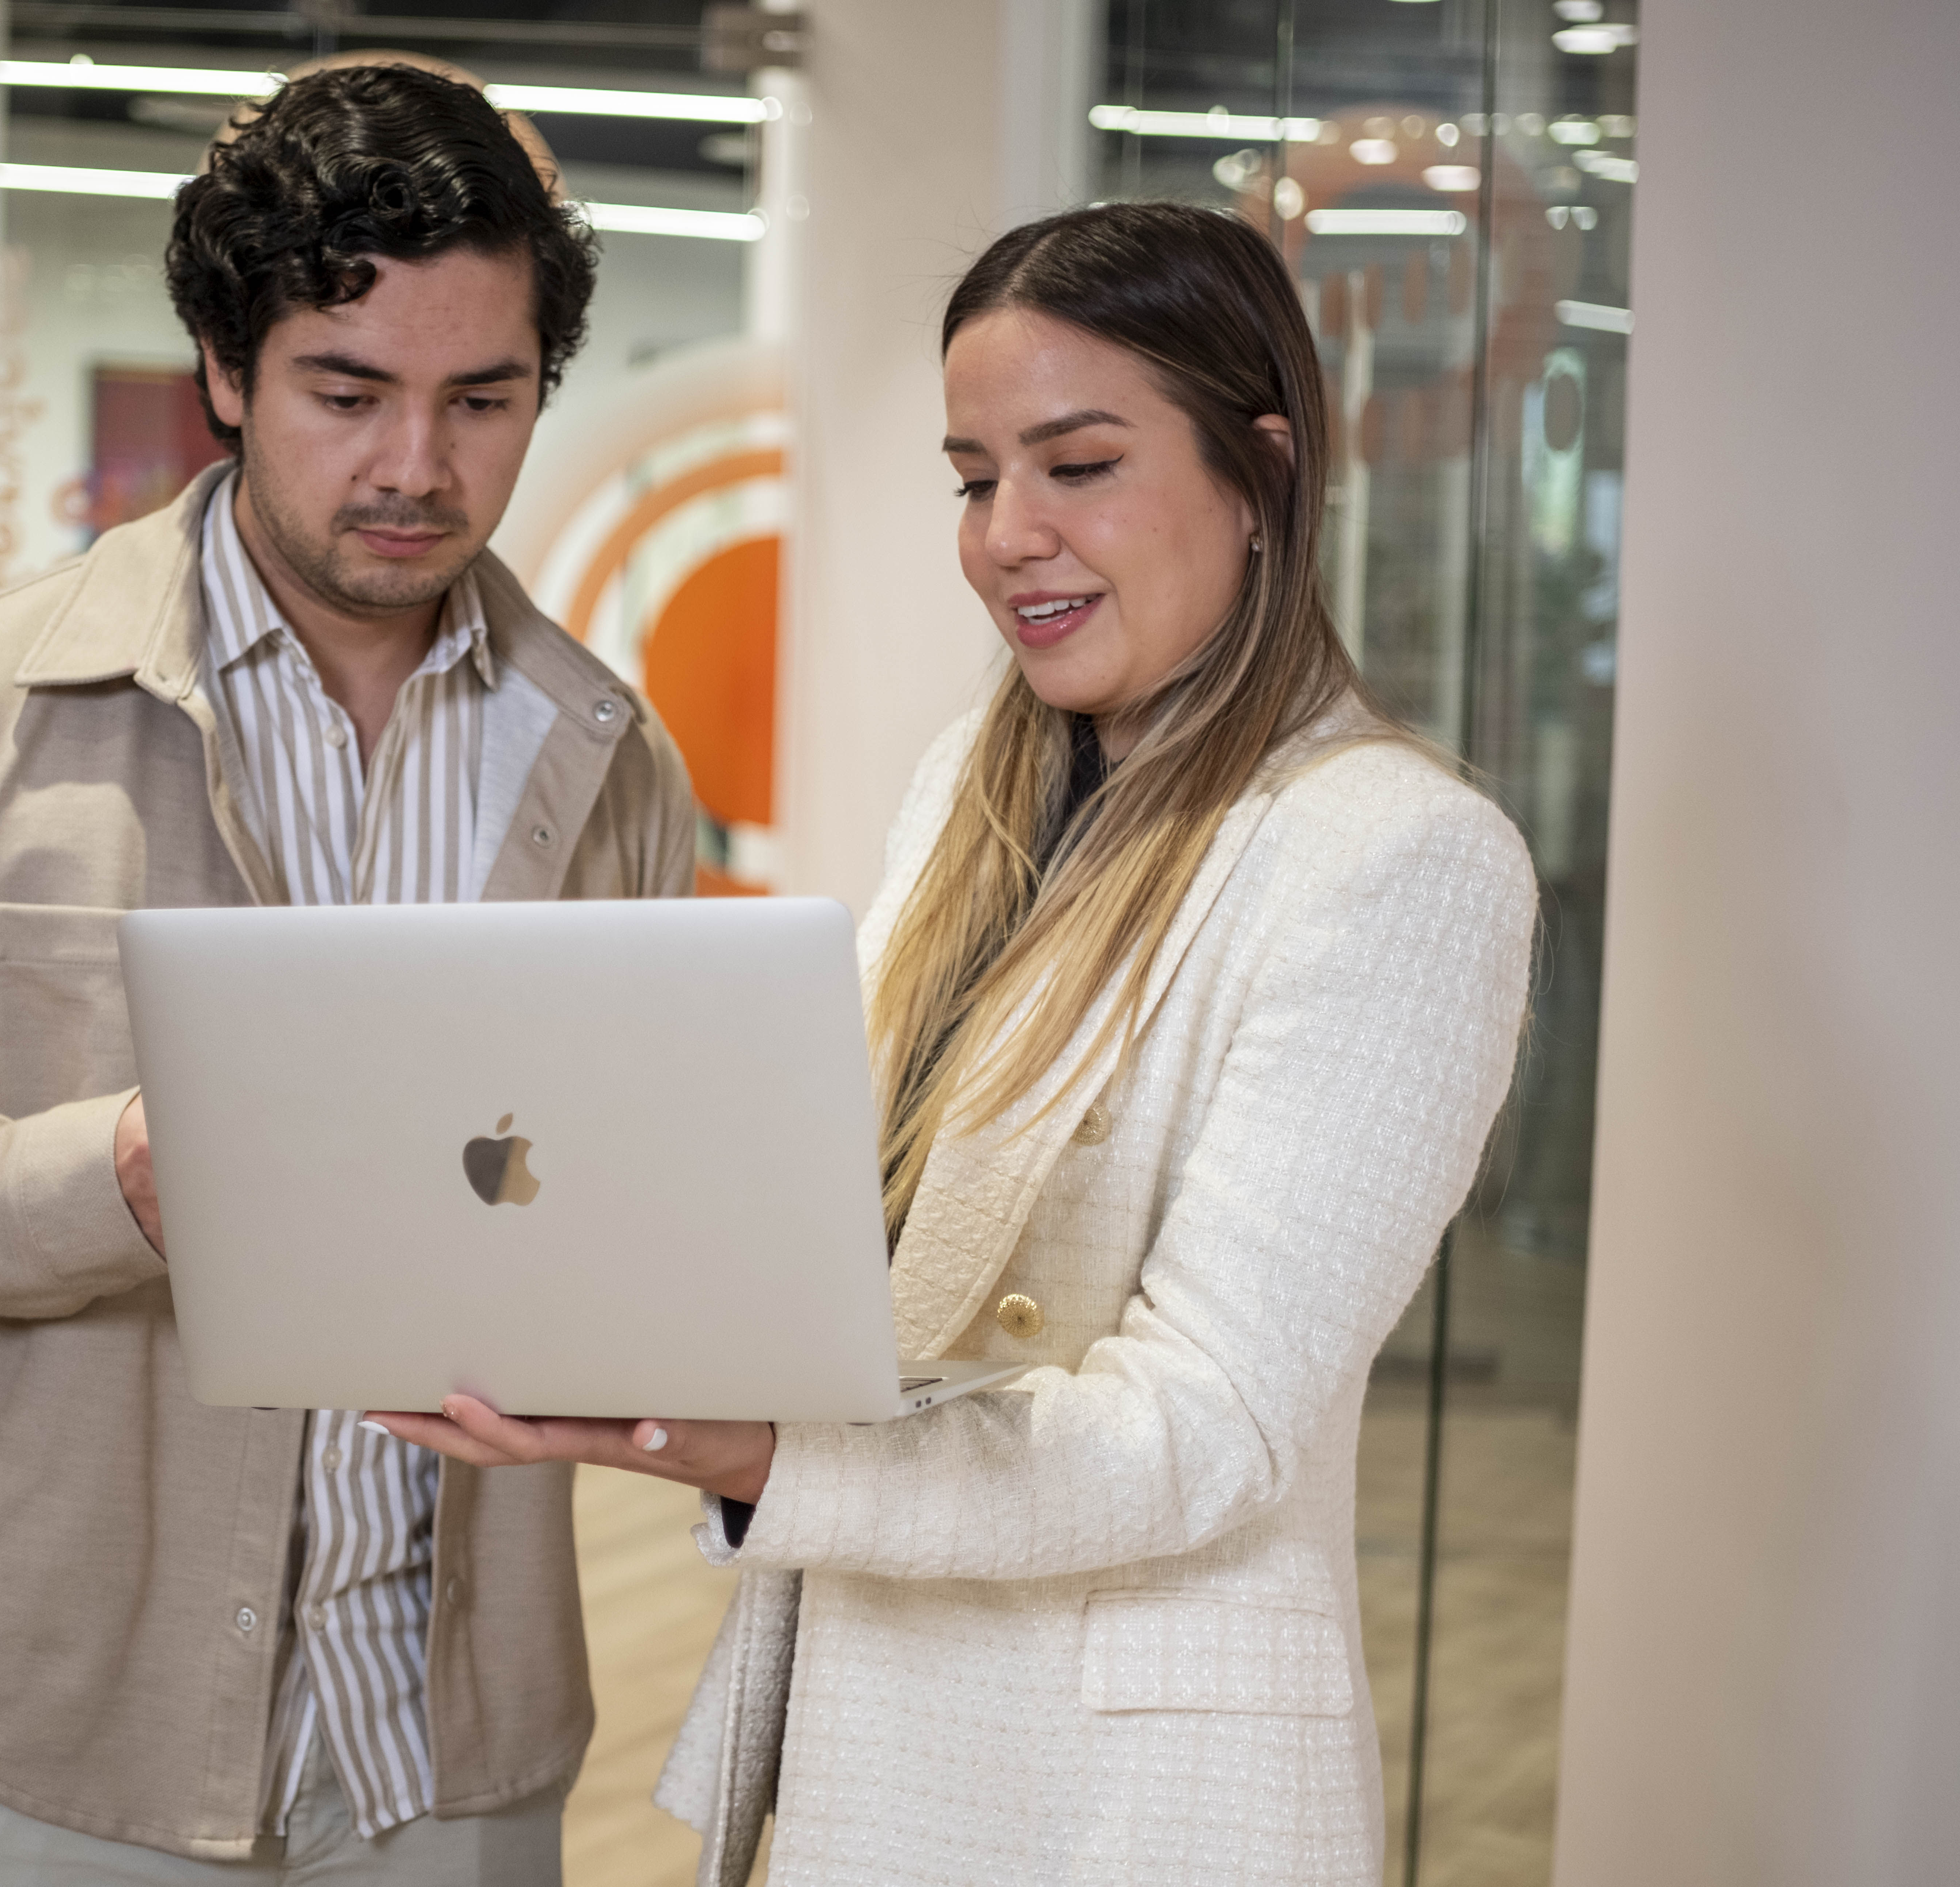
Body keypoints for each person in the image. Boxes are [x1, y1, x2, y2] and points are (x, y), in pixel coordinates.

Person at [368, 201, 1536, 1884]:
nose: (1008, 537)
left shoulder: (1395, 857)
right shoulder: (970, 795)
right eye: (976, 479)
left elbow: (1209, 1426)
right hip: (884, 1726)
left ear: (1264, 471)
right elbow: (863, 1246)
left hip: (1130, 1804)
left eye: (1081, 466)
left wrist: (754, 1449)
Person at [0, 63, 694, 1883]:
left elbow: (621, 1202)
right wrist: (118, 1174)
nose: (418, 465)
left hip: (447, 1761)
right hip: (44, 1741)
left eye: (484, 400)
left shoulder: (610, 761)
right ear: (226, 373)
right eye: (347, 393)